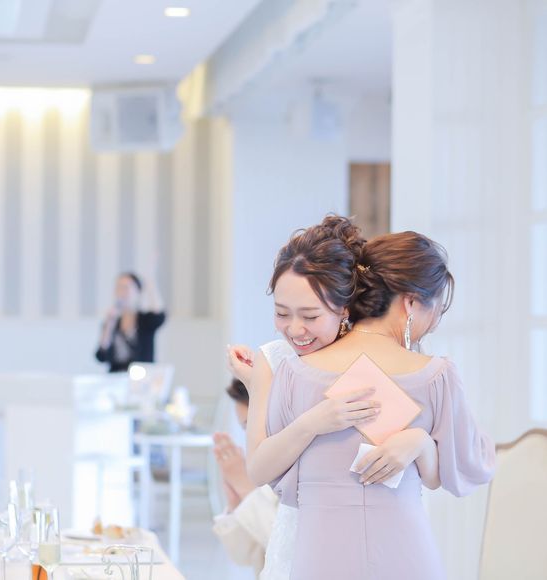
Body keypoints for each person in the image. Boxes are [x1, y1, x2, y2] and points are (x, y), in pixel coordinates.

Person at [257, 231, 495, 579]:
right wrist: (422, 443)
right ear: (410, 303)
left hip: (321, 554)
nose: (435, 322)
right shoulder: (435, 376)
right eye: (436, 308)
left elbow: (277, 479)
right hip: (407, 552)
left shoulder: (296, 373)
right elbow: (462, 470)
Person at [227, 215, 407, 580]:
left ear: (344, 308)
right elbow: (258, 469)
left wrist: (416, 441)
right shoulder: (274, 359)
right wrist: (313, 421)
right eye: (281, 313)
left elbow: (402, 468)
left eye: (310, 316)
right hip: (296, 541)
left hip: (364, 538)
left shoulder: (366, 362)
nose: (295, 329)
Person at [212, 379, 279, 577]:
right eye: (245, 429)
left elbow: (287, 549)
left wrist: (247, 490)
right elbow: (244, 556)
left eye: (253, 426)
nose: (250, 438)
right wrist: (236, 504)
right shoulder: (264, 467)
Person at [95, 272, 167, 372]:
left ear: (138, 292)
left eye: (126, 288)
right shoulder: (112, 322)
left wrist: (151, 285)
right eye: (118, 287)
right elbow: (101, 356)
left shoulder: (145, 320)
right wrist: (109, 325)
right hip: (117, 376)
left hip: (142, 376)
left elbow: (159, 316)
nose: (121, 292)